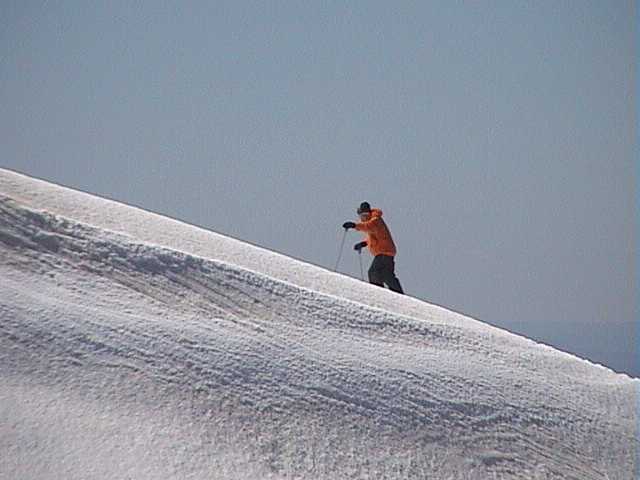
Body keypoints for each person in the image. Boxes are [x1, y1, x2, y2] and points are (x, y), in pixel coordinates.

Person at [343, 202, 404, 294]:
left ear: (369, 213)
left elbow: (368, 226)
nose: (363, 217)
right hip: (386, 252)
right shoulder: (373, 222)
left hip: (384, 252)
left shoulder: (375, 220)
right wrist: (363, 243)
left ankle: (378, 292)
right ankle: (397, 293)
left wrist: (354, 225)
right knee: (387, 275)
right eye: (362, 215)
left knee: (373, 272)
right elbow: (374, 237)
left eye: (365, 215)